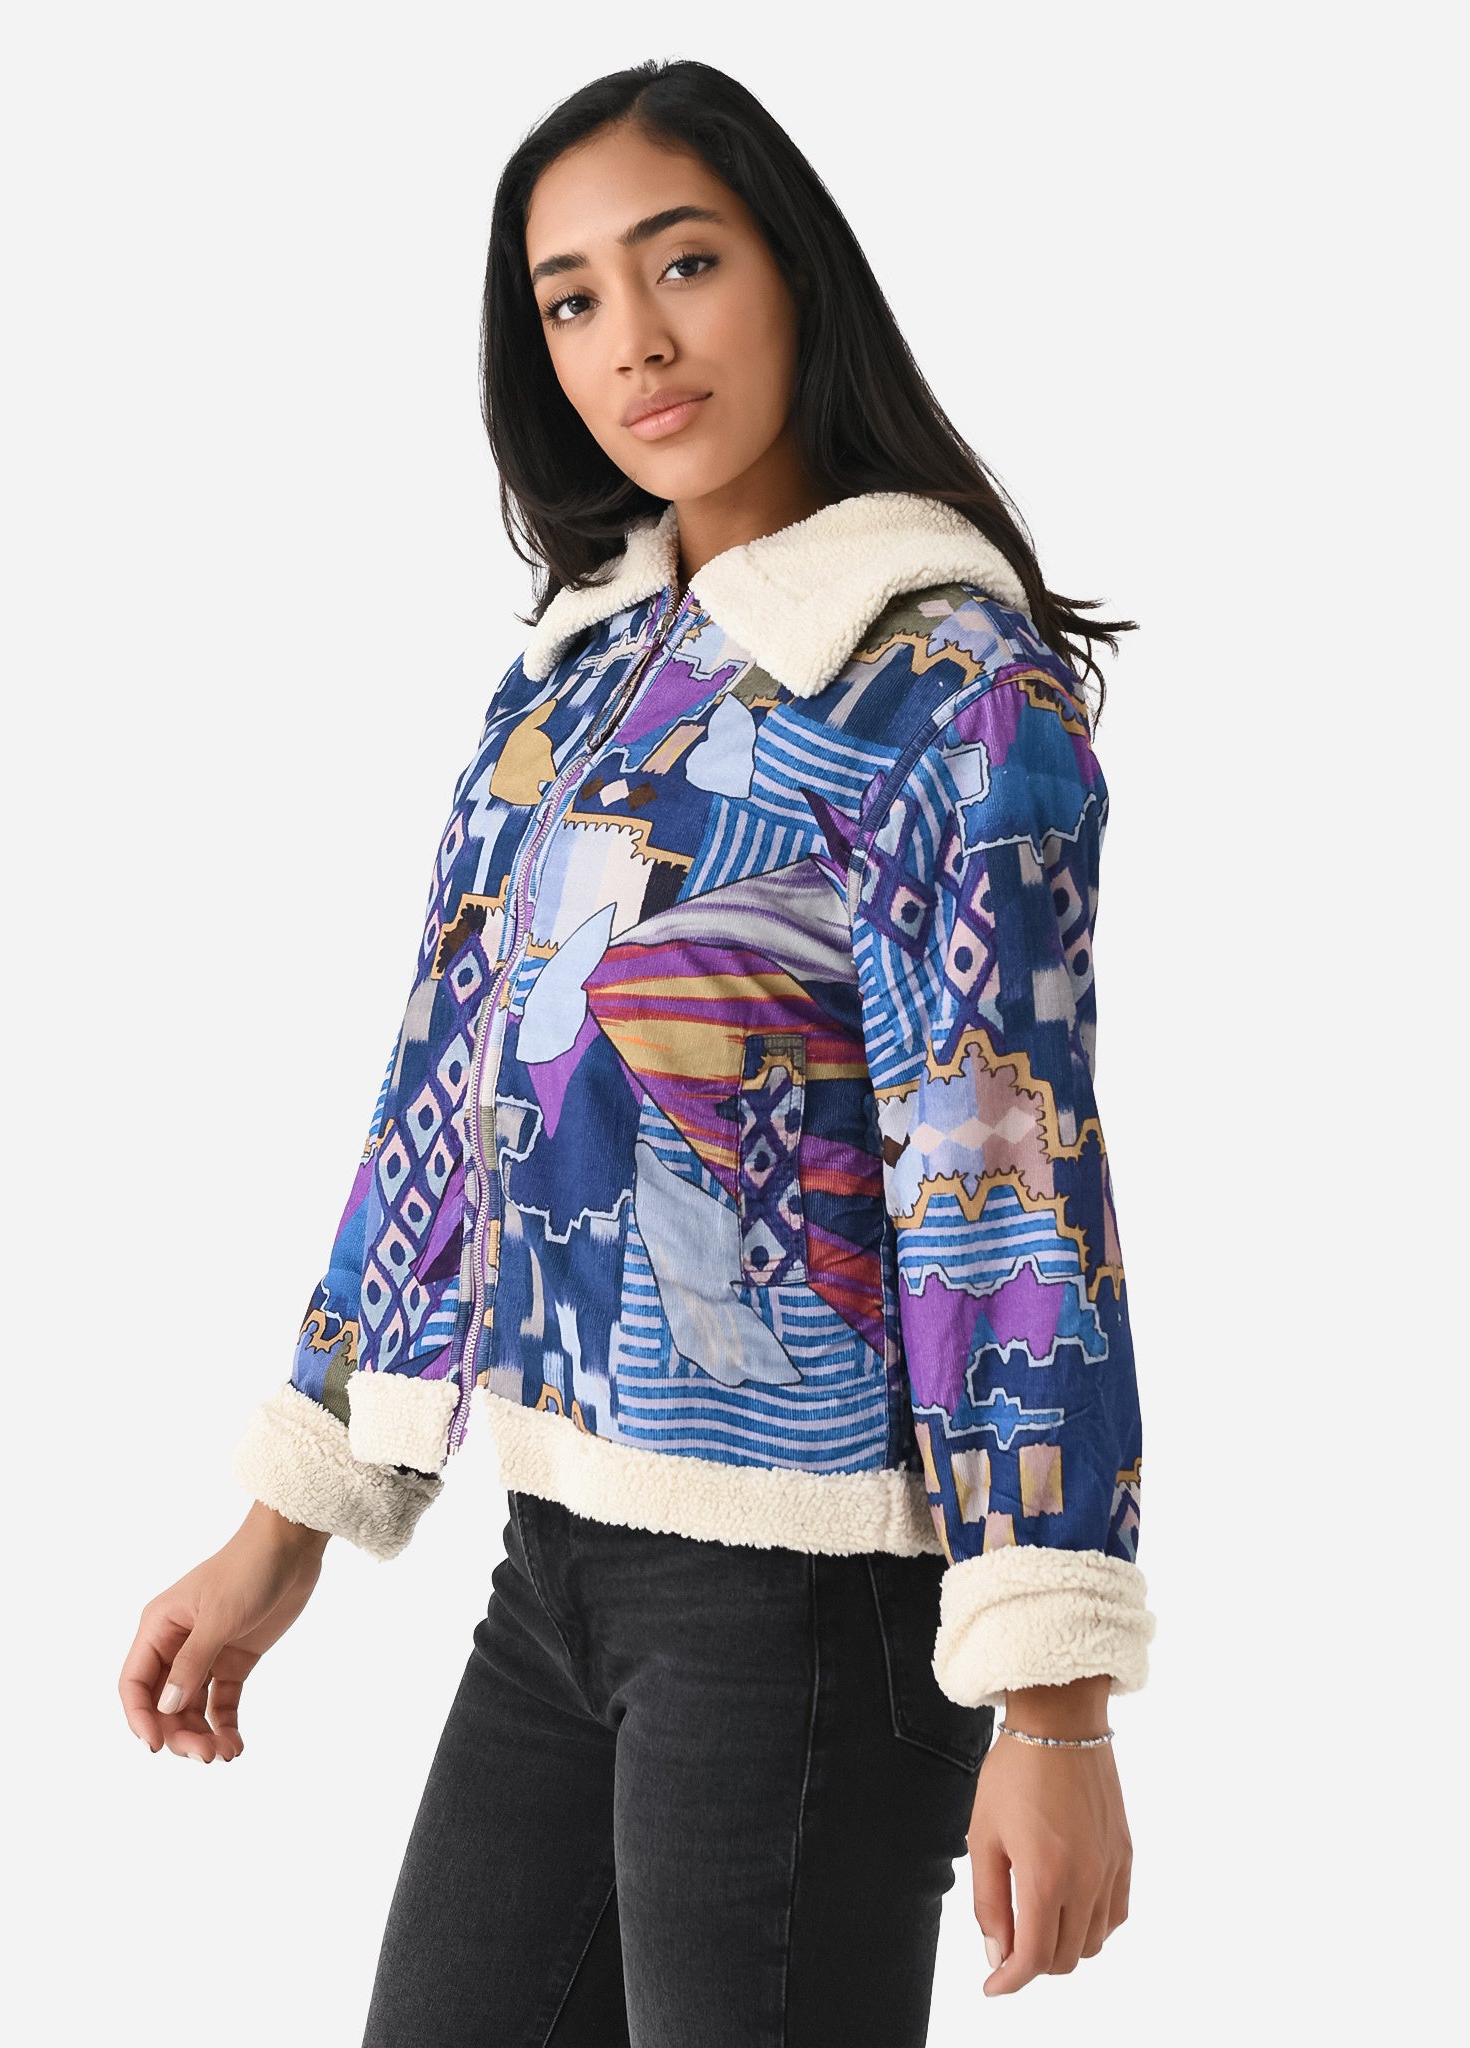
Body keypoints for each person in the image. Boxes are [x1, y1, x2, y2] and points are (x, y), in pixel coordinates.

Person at [119, 57, 1153, 2045]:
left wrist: (1055, 1700)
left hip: (806, 1604)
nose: (634, 342)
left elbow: (1008, 1189)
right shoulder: (579, 676)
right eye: (573, 298)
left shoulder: (947, 688)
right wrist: (285, 1520)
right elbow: (446, 1109)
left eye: (684, 263)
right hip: (556, 1570)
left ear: (797, 277)